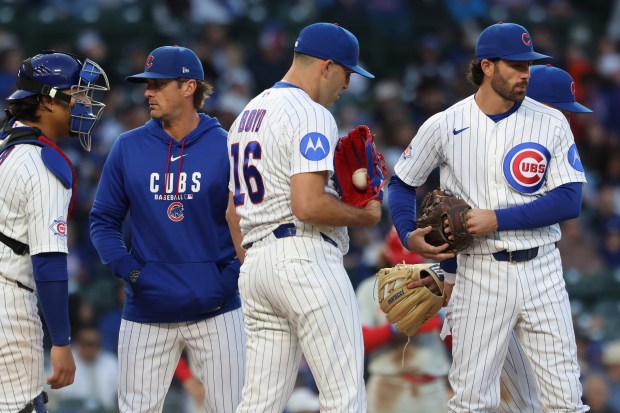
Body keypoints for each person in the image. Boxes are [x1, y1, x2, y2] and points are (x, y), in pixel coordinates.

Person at [389, 22, 589, 412]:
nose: (525, 73)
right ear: (487, 66)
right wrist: (407, 232)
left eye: (529, 65)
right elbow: (400, 183)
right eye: (515, 65)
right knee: (471, 402)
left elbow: (570, 200)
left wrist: (496, 218)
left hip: (542, 269)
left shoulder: (551, 121)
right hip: (478, 273)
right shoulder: (445, 124)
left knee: (565, 401)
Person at [226, 22, 381, 412]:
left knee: (258, 403)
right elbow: (309, 205)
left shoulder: (247, 113)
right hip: (305, 257)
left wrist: (260, 265)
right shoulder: (311, 113)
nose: (347, 85)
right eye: (347, 73)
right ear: (327, 66)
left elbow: (232, 212)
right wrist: (365, 217)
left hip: (256, 264)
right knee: (343, 396)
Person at [89, 45, 245, 413]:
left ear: (189, 87)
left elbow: (253, 221)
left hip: (217, 308)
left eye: (158, 85)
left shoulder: (227, 147)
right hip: (147, 308)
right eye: (147, 85)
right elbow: (102, 221)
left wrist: (231, 277)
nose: (147, 92)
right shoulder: (128, 147)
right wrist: (131, 272)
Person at [0, 51, 109, 412]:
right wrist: (62, 341)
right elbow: (48, 262)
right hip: (10, 305)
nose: (85, 103)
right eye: (77, 94)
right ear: (48, 101)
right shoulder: (43, 164)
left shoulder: (6, 147)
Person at [356, 226, 451, 413]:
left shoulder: (441, 286)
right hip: (388, 383)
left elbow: (460, 345)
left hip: (433, 385)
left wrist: (443, 324)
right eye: (400, 265)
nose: (406, 269)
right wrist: (395, 328)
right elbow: (358, 343)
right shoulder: (370, 288)